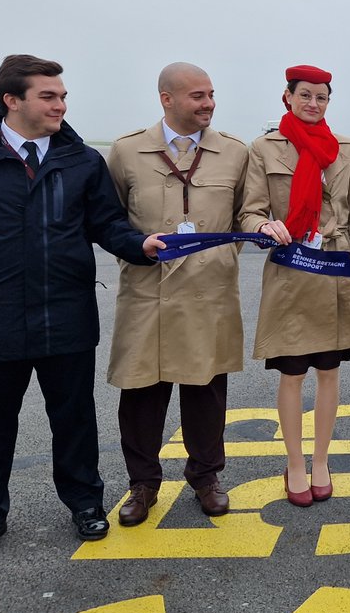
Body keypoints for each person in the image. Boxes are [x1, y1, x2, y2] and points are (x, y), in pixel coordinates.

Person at [0, 54, 164, 560]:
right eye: (48, 96)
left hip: (67, 312)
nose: (61, 104)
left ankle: (83, 503)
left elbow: (106, 223)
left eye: (62, 95)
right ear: (12, 101)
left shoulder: (80, 161)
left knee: (74, 417)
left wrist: (138, 246)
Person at [106, 63, 249, 525]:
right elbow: (109, 221)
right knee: (142, 391)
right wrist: (133, 250)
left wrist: (259, 228)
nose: (208, 103)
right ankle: (142, 484)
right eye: (197, 96)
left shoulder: (233, 152)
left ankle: (206, 478)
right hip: (149, 294)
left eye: (211, 94)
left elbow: (248, 212)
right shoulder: (127, 152)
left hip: (209, 293)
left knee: (206, 390)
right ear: (166, 99)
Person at [240, 65, 350, 507]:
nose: (313, 104)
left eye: (321, 98)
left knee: (329, 371)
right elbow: (249, 212)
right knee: (292, 373)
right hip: (291, 269)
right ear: (288, 96)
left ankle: (321, 460)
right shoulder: (265, 148)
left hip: (336, 271)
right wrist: (264, 224)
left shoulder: (345, 150)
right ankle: (295, 464)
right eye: (305, 96)